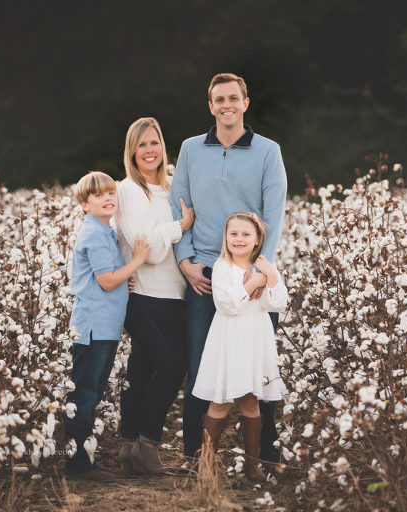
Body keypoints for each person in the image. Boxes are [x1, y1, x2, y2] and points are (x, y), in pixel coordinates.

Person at [170, 73, 287, 471]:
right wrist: (185, 261)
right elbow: (178, 207)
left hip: (253, 270)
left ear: (245, 103)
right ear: (210, 106)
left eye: (233, 98)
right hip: (205, 273)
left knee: (261, 367)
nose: (226, 105)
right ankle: (194, 457)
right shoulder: (189, 149)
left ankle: (264, 456)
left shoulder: (268, 151)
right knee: (201, 365)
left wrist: (259, 269)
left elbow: (274, 213)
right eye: (219, 99)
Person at [114, 117, 195, 474]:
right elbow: (148, 250)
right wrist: (180, 226)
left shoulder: (172, 187)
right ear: (132, 151)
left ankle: (128, 446)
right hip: (143, 293)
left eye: (155, 143)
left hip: (174, 293)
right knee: (173, 363)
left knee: (143, 368)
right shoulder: (128, 190)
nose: (149, 151)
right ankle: (148, 444)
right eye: (142, 144)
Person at [66, 171, 150, 482]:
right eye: (99, 195)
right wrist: (137, 261)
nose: (108, 198)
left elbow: (109, 277)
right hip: (94, 328)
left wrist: (122, 277)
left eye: (110, 192)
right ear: (85, 205)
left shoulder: (105, 230)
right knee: (85, 395)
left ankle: (79, 458)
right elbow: (105, 280)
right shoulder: (93, 233)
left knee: (90, 392)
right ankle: (76, 464)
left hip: (103, 327)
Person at [192, 212, 287, 481]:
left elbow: (277, 303)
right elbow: (228, 305)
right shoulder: (222, 266)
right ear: (226, 238)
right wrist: (253, 284)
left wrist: (270, 278)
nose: (239, 239)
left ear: (257, 240)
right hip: (229, 339)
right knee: (220, 400)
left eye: (246, 234)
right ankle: (207, 465)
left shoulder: (265, 266)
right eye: (233, 234)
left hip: (255, 339)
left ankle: (253, 465)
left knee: (250, 399)